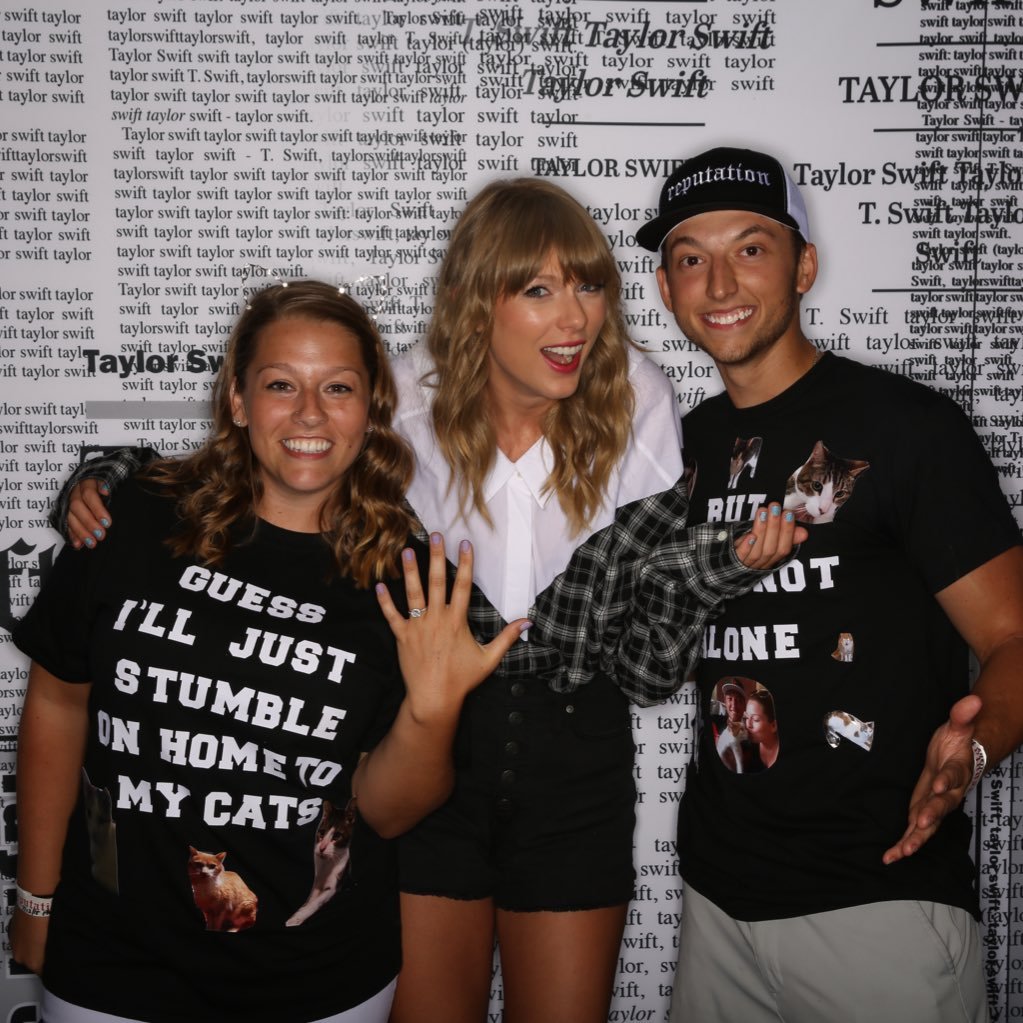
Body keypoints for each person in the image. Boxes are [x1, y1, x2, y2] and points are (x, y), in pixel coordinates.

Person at [48, 179, 805, 1023]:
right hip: (419, 756)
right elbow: (275, 458)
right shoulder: (399, 398)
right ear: (478, 300)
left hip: (573, 768)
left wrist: (705, 574)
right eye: (538, 289)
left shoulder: (637, 396)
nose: (575, 318)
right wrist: (110, 479)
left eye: (589, 285)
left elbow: (643, 675)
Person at [11, 281, 527, 1023]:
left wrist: (432, 709)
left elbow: (382, 811)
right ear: (238, 400)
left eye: (338, 387)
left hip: (314, 982)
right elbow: (58, 700)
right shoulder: (133, 519)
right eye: (281, 384)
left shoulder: (411, 578)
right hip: (112, 965)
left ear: (372, 408)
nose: (310, 413)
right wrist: (36, 896)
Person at [634, 146, 1023, 1022]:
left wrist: (977, 745)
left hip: (878, 901)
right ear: (665, 290)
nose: (718, 279)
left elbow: (1012, 636)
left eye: (750, 247)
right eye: (689, 257)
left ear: (803, 265)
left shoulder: (906, 426)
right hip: (717, 905)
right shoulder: (673, 450)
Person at [743, 690, 777, 769]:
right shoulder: (746, 745)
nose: (748, 725)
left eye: (755, 719)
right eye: (747, 717)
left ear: (774, 726)